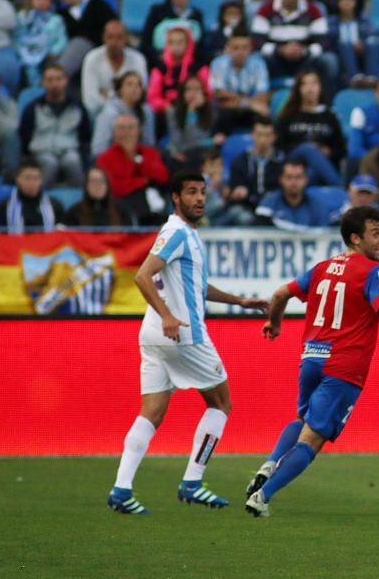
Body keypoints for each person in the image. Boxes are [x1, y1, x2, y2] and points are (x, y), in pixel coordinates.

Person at [244, 207, 379, 517]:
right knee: (313, 440)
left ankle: (271, 461)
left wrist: (274, 324)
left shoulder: (322, 267)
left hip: (312, 358)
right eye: (376, 234)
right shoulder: (373, 271)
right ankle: (263, 495)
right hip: (344, 365)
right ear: (355, 238)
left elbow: (278, 295)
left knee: (303, 420)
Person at [106, 171, 269, 515]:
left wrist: (240, 301)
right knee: (221, 403)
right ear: (175, 198)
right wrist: (167, 315)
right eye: (191, 192)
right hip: (182, 334)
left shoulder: (185, 234)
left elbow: (196, 286)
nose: (199, 198)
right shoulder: (178, 232)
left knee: (151, 412)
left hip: (154, 336)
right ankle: (192, 481)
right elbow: (142, 275)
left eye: (203, 192)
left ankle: (121, 489)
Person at [19, 63, 91, 188]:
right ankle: (40, 197)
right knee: (49, 162)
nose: (54, 84)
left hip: (69, 149)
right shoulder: (32, 108)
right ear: (43, 83)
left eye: (58, 79)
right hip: (41, 152)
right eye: (50, 80)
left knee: (72, 160)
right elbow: (24, 136)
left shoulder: (78, 107)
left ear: (66, 81)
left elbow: (85, 136)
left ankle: (81, 198)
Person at [252, 0, 331, 83]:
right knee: (256, 59)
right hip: (275, 59)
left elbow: (323, 42)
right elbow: (257, 42)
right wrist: (280, 50)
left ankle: (325, 99)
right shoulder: (265, 9)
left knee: (329, 61)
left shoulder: (314, 10)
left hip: (305, 60)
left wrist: (304, 51)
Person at [275, 70, 345, 186]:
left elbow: (340, 149)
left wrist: (329, 152)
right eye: (304, 84)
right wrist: (305, 148)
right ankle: (340, 188)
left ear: (320, 87)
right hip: (294, 163)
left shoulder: (330, 116)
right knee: (308, 149)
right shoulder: (288, 115)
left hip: (320, 166)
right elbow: (279, 145)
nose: (309, 88)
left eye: (314, 83)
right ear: (298, 89)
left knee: (312, 173)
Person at [209, 26, 271, 136]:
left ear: (250, 49)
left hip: (250, 112)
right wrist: (249, 103)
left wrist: (235, 100)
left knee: (263, 115)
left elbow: (262, 97)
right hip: (229, 111)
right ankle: (219, 148)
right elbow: (219, 96)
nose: (240, 52)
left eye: (244, 48)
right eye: (235, 48)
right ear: (228, 48)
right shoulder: (218, 64)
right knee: (225, 114)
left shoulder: (259, 64)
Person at [54, 0, 118, 78]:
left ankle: (58, 76)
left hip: (100, 52)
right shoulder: (60, 14)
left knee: (79, 43)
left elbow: (113, 27)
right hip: (72, 57)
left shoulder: (96, 3)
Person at [81, 20, 149, 119]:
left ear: (126, 39)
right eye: (110, 37)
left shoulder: (138, 59)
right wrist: (120, 101)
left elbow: (140, 93)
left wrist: (107, 94)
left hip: (132, 114)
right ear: (103, 38)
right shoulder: (92, 58)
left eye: (119, 37)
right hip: (99, 115)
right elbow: (90, 99)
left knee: (148, 111)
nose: (114, 42)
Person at [227, 115, 286, 224]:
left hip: (274, 207)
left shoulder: (282, 161)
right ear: (253, 135)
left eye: (267, 135)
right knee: (237, 215)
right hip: (247, 208)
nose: (263, 140)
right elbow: (233, 187)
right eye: (259, 135)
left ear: (274, 137)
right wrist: (237, 191)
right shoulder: (240, 161)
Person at [140, 0, 206, 68]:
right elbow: (145, 43)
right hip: (161, 64)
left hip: (189, 65)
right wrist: (160, 59)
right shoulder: (157, 11)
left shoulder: (197, 15)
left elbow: (201, 46)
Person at [255, 159, 341, 229]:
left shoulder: (316, 207)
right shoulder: (268, 204)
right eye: (289, 177)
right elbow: (259, 232)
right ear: (281, 179)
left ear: (306, 179)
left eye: (298, 177)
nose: (293, 182)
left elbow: (324, 235)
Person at [329, 0, 379, 88]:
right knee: (344, 43)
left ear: (357, 1)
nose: (347, 2)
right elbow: (330, 43)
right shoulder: (331, 22)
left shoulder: (364, 21)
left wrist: (362, 44)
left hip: (363, 57)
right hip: (342, 60)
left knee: (374, 41)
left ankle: (372, 78)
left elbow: (372, 37)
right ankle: (354, 78)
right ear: (337, 1)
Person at [147, 27, 210, 118]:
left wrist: (195, 103)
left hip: (194, 109)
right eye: (172, 42)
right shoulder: (160, 69)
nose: (176, 46)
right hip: (167, 112)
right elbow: (153, 97)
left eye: (180, 42)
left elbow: (207, 94)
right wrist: (165, 106)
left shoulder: (200, 69)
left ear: (188, 44)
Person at [13, 0, 66, 89]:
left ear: (50, 1)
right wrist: (20, 51)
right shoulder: (22, 17)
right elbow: (16, 36)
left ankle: (43, 88)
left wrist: (54, 51)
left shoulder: (56, 20)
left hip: (47, 54)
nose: (42, 1)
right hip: (25, 52)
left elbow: (62, 39)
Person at [92, 71, 156, 158]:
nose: (134, 88)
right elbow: (98, 148)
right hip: (113, 159)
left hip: (139, 158)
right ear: (120, 89)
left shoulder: (147, 111)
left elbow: (149, 143)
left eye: (138, 85)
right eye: (129, 84)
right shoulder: (109, 113)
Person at [165, 76, 218, 174]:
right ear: (182, 93)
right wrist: (190, 111)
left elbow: (196, 141)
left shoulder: (210, 112)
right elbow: (180, 143)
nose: (193, 93)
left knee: (202, 154)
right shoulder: (172, 112)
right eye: (189, 89)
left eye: (197, 89)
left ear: (203, 93)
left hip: (199, 154)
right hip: (182, 153)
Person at [0, 159, 64, 232]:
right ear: (18, 179)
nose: (32, 183)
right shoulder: (4, 207)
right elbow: (1, 238)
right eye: (27, 178)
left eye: (36, 178)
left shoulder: (55, 206)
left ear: (41, 180)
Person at [63, 166, 133, 227]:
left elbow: (130, 237)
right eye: (93, 181)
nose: (97, 185)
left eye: (101, 181)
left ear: (107, 185)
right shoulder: (75, 212)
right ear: (86, 186)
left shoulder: (121, 210)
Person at [0, 69, 21, 176]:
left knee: (11, 137)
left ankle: (10, 179)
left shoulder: (10, 104)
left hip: (2, 145)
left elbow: (12, 130)